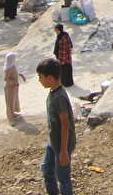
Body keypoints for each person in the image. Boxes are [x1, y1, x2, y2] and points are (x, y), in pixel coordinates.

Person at [37, 57, 76, 195]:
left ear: (50, 78)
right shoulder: (53, 93)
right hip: (53, 141)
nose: (39, 80)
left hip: (61, 144)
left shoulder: (59, 97)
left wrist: (64, 151)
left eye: (40, 77)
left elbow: (65, 124)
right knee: (47, 170)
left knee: (63, 177)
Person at [4, 53, 26, 124]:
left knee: (14, 101)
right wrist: (14, 83)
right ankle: (10, 119)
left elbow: (15, 72)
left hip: (14, 87)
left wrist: (21, 75)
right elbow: (6, 79)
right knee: (10, 102)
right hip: (10, 87)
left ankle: (13, 114)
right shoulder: (8, 68)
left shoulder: (12, 66)